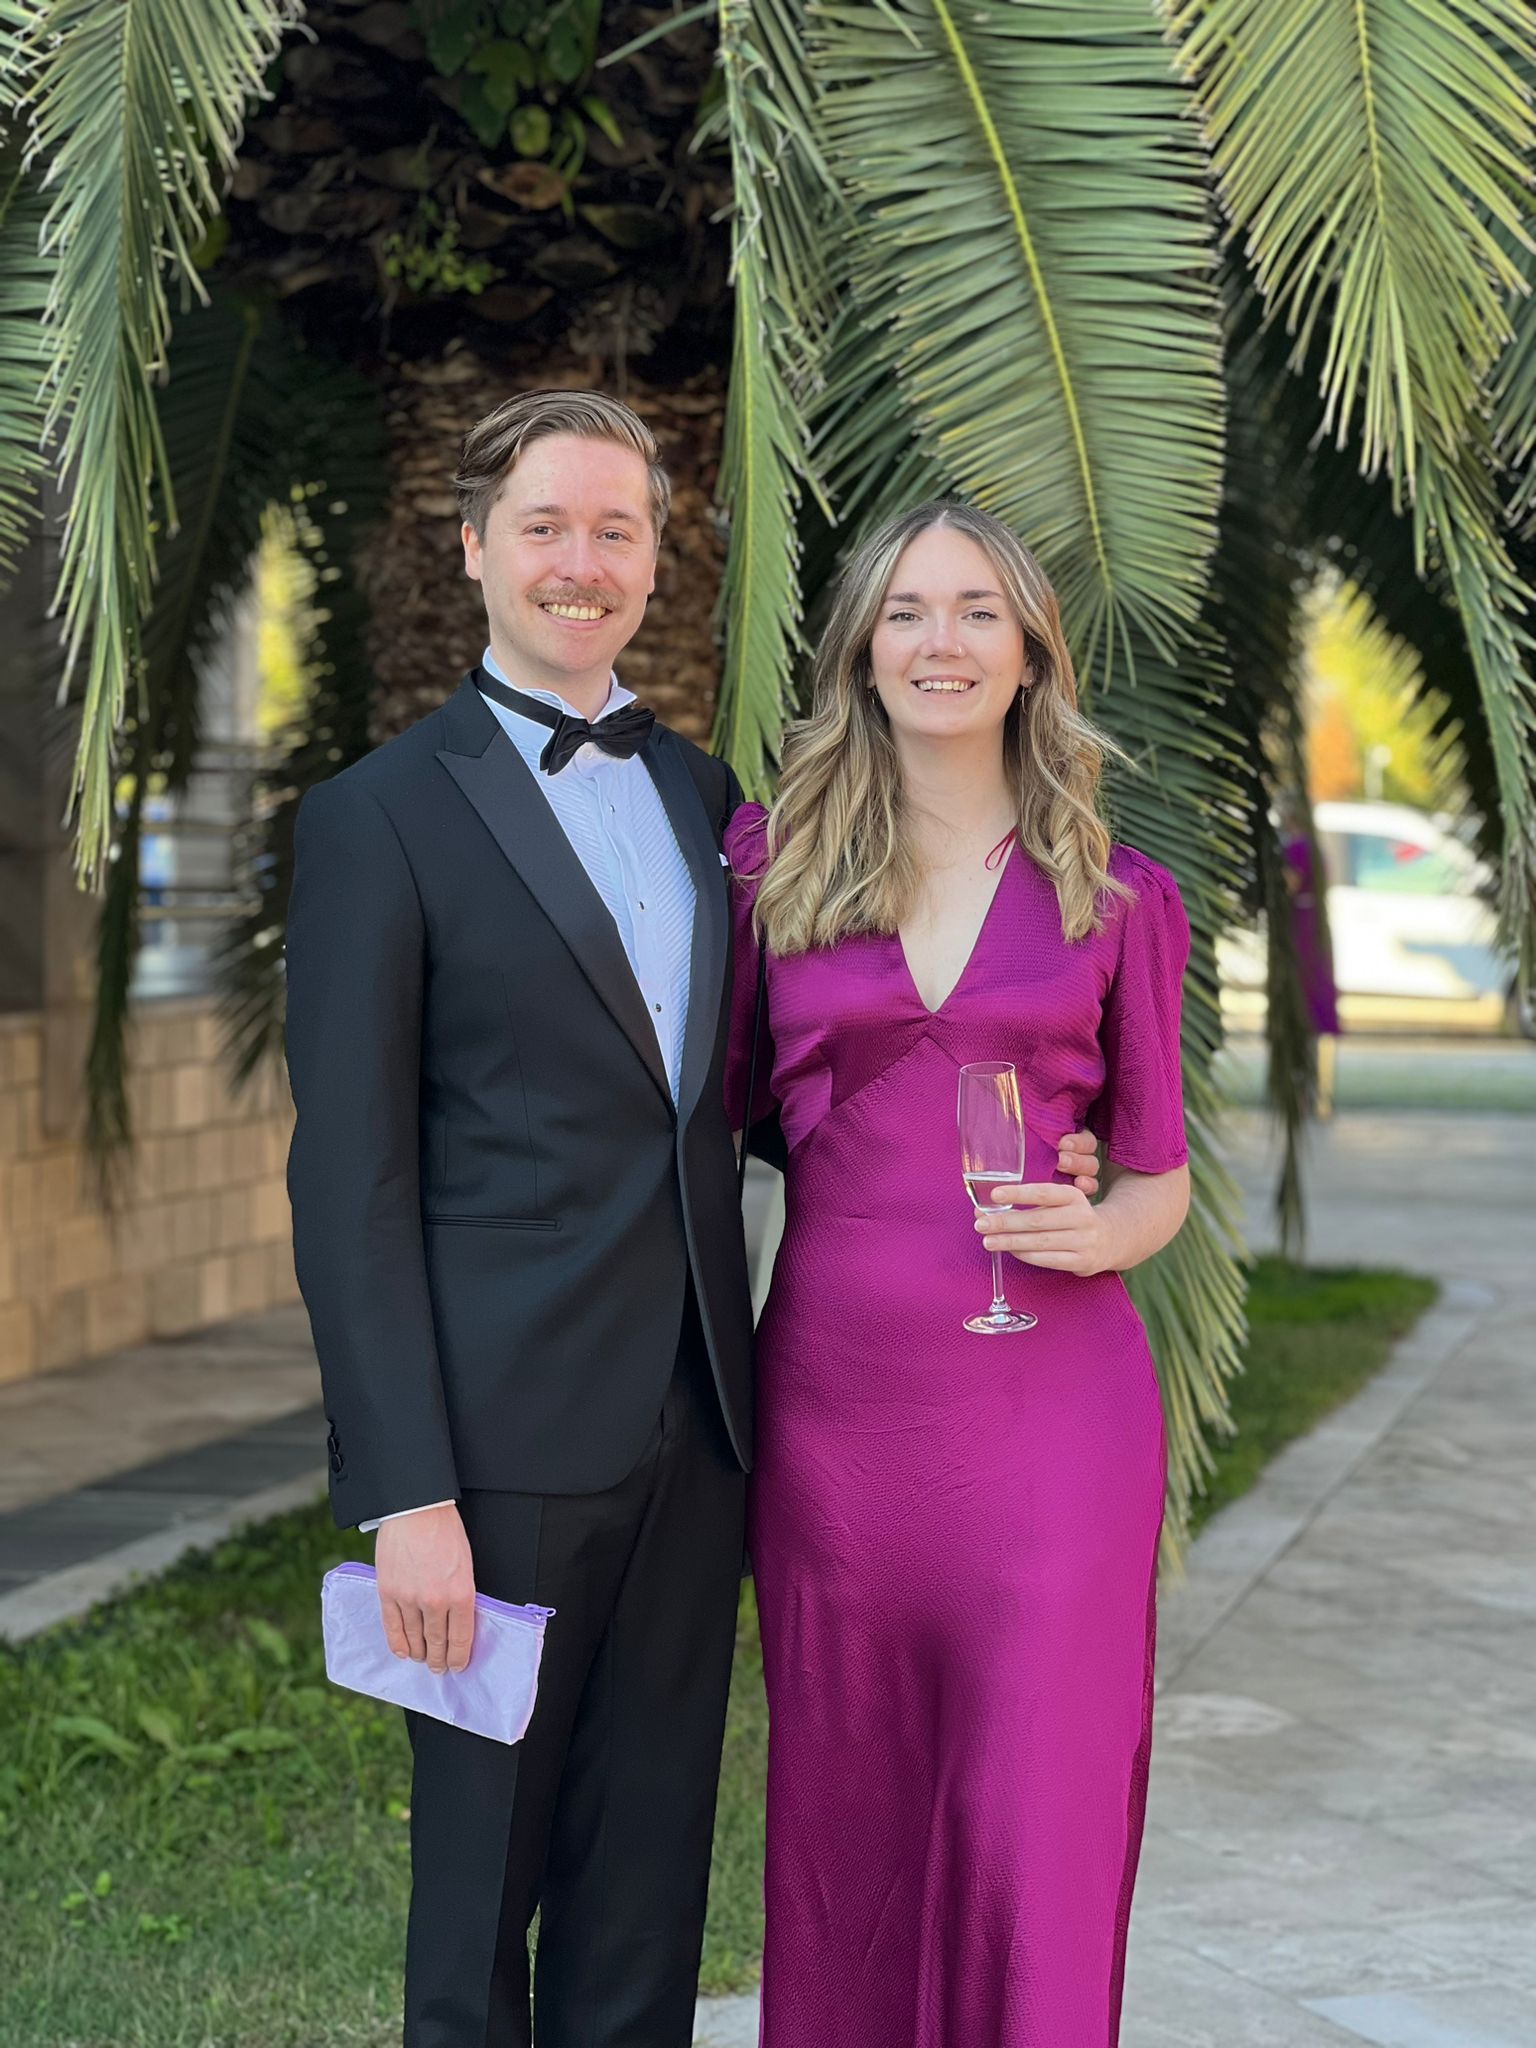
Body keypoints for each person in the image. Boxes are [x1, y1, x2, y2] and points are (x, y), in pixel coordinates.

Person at [283, 386, 1109, 2046]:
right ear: (473, 546)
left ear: (659, 559)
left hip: (705, 1431)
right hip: (496, 1455)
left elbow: (783, 1093)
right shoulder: (378, 817)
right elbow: (348, 1184)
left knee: (646, 1899)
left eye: (617, 530)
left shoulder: (711, 802)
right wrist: (407, 1494)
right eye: (545, 526)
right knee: (476, 1908)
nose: (581, 562)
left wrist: (1047, 1153)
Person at [725, 500, 1192, 2048]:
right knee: (850, 1815)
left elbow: (1157, 1171)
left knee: (1033, 1817)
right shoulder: (769, 868)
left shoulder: (1115, 892)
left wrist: (1101, 1232)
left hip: (1053, 1414)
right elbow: (723, 1111)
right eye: (909, 611)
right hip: (839, 1418)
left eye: (980, 611)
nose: (943, 641)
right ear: (862, 646)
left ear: (1031, 652)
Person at [1278, 791, 1341, 1117]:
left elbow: (1289, 885)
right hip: (1316, 929)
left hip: (1300, 930)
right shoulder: (1317, 849)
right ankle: (1321, 1095)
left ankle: (1301, 1091)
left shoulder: (1296, 849)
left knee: (1301, 1006)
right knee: (1319, 1009)